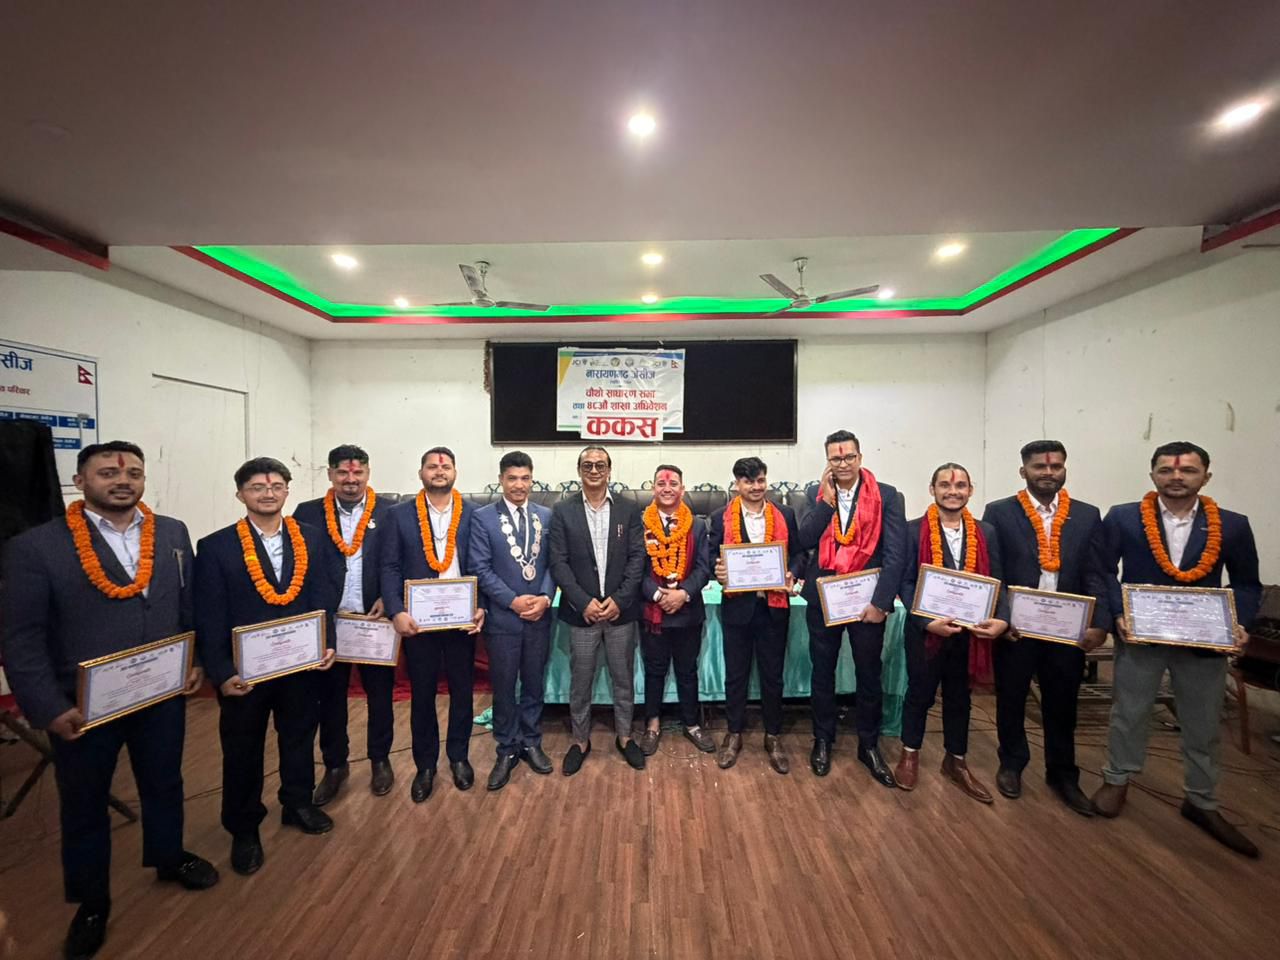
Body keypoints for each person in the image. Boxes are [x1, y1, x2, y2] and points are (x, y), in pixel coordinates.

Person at [1, 442, 217, 960]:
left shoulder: (172, 533)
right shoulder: (35, 547)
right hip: (82, 706)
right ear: (80, 481)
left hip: (162, 692)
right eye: (107, 473)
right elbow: (21, 638)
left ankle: (168, 856)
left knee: (165, 781)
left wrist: (195, 661)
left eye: (134, 473)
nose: (123, 481)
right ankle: (91, 901)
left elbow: (187, 603)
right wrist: (47, 708)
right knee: (83, 802)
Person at [1092, 442, 1262, 857]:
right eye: (1166, 470)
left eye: (1187, 471)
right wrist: (1117, 613)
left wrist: (1239, 623)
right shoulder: (1124, 518)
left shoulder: (1232, 525)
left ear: (1206, 476)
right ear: (1152, 474)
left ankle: (1202, 799)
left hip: (1204, 641)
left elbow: (1246, 583)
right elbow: (1103, 571)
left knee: (1203, 723)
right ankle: (1117, 779)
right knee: (1129, 712)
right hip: (1142, 636)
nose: (1176, 477)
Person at [194, 457, 343, 877]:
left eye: (276, 485)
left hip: (300, 665)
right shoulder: (216, 547)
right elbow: (208, 614)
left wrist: (327, 642)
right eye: (257, 487)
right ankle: (244, 828)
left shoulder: (311, 538)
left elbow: (323, 596)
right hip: (245, 674)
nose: (268, 493)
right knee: (243, 750)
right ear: (240, 494)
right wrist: (221, 672)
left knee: (299, 737)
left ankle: (297, 803)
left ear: (287, 491)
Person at [981, 440, 1110, 815]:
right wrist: (1003, 616)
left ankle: (1063, 774)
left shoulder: (1086, 515)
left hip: (1068, 631)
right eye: (1040, 466)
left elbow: (1097, 573)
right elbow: (995, 571)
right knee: (1011, 698)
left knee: (1063, 703)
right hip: (1017, 629)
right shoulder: (1000, 512)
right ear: (1024, 471)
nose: (1048, 472)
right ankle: (1012, 763)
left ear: (1065, 469)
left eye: (1056, 466)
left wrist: (1100, 623)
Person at [896, 463, 1008, 803]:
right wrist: (925, 621)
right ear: (932, 490)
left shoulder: (986, 532)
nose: (952, 491)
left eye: (960, 486)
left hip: (969, 634)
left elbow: (998, 581)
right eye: (945, 485)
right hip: (926, 632)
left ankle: (956, 760)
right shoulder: (912, 531)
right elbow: (905, 582)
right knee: (919, 693)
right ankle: (910, 754)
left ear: (970, 490)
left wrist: (1002, 619)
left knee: (960, 698)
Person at [798, 430, 906, 783]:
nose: (842, 464)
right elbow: (804, 539)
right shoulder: (814, 494)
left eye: (848, 457)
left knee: (869, 673)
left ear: (860, 457)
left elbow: (896, 554)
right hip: (824, 598)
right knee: (822, 672)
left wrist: (881, 603)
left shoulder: (888, 495)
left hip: (867, 601)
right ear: (827, 461)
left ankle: (869, 745)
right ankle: (823, 740)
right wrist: (826, 504)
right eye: (835, 458)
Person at [380, 446, 485, 803]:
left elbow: (483, 564)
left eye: (446, 466)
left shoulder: (474, 513)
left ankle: (459, 757)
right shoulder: (399, 515)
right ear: (421, 473)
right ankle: (425, 765)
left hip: (461, 620)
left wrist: (481, 606)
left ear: (455, 472)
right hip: (418, 622)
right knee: (422, 694)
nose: (439, 471)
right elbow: (389, 566)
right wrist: (396, 610)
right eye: (432, 466)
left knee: (462, 691)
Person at [293, 444, 396, 804]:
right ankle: (335, 765)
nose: (351, 480)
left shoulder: (389, 511)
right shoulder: (307, 513)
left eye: (358, 472)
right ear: (330, 474)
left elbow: (396, 561)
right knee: (330, 699)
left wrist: (388, 597)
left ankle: (380, 759)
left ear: (368, 473)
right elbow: (300, 567)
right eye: (343, 472)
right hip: (330, 623)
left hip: (374, 620)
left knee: (380, 696)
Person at [548, 444, 647, 774]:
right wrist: (582, 601)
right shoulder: (563, 511)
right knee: (581, 682)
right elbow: (558, 563)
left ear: (609, 470)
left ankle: (625, 736)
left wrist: (619, 600)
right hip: (582, 614)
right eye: (587, 465)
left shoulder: (629, 509)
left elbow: (637, 558)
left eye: (600, 465)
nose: (594, 470)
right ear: (579, 471)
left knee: (623, 679)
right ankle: (580, 740)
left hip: (621, 613)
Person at [708, 457, 806, 773]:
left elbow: (800, 554)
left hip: (774, 608)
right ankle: (733, 734)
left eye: (760, 480)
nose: (756, 487)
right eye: (748, 481)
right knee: (736, 674)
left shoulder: (785, 514)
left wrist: (791, 572)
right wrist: (717, 570)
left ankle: (773, 735)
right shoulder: (720, 517)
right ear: (737, 483)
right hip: (737, 608)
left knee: (773, 675)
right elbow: (710, 557)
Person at [468, 451, 556, 791]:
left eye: (525, 478)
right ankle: (506, 748)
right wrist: (513, 601)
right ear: (501, 480)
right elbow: (480, 567)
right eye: (512, 478)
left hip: (539, 616)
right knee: (504, 687)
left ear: (532, 480)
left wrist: (545, 597)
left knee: (534, 683)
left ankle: (532, 741)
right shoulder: (483, 518)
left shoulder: (546, 516)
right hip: (503, 619)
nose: (519, 485)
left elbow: (553, 564)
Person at [637, 464, 714, 757]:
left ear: (682, 489)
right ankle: (652, 724)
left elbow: (704, 568)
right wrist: (659, 595)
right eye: (661, 483)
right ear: (653, 488)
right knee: (654, 670)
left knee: (687, 670)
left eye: (673, 484)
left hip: (687, 610)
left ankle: (692, 724)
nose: (667, 488)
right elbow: (635, 568)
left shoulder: (697, 525)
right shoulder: (641, 524)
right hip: (653, 611)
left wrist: (682, 594)